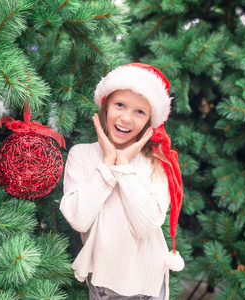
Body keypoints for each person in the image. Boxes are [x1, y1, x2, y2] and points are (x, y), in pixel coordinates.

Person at [60, 63, 185, 299]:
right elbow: (79, 219)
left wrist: (124, 166)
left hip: (145, 285)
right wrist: (108, 162)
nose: (126, 118)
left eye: (140, 112)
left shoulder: (156, 163)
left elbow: (146, 225)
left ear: (150, 121)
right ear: (106, 107)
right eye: (120, 105)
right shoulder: (81, 155)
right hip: (100, 281)